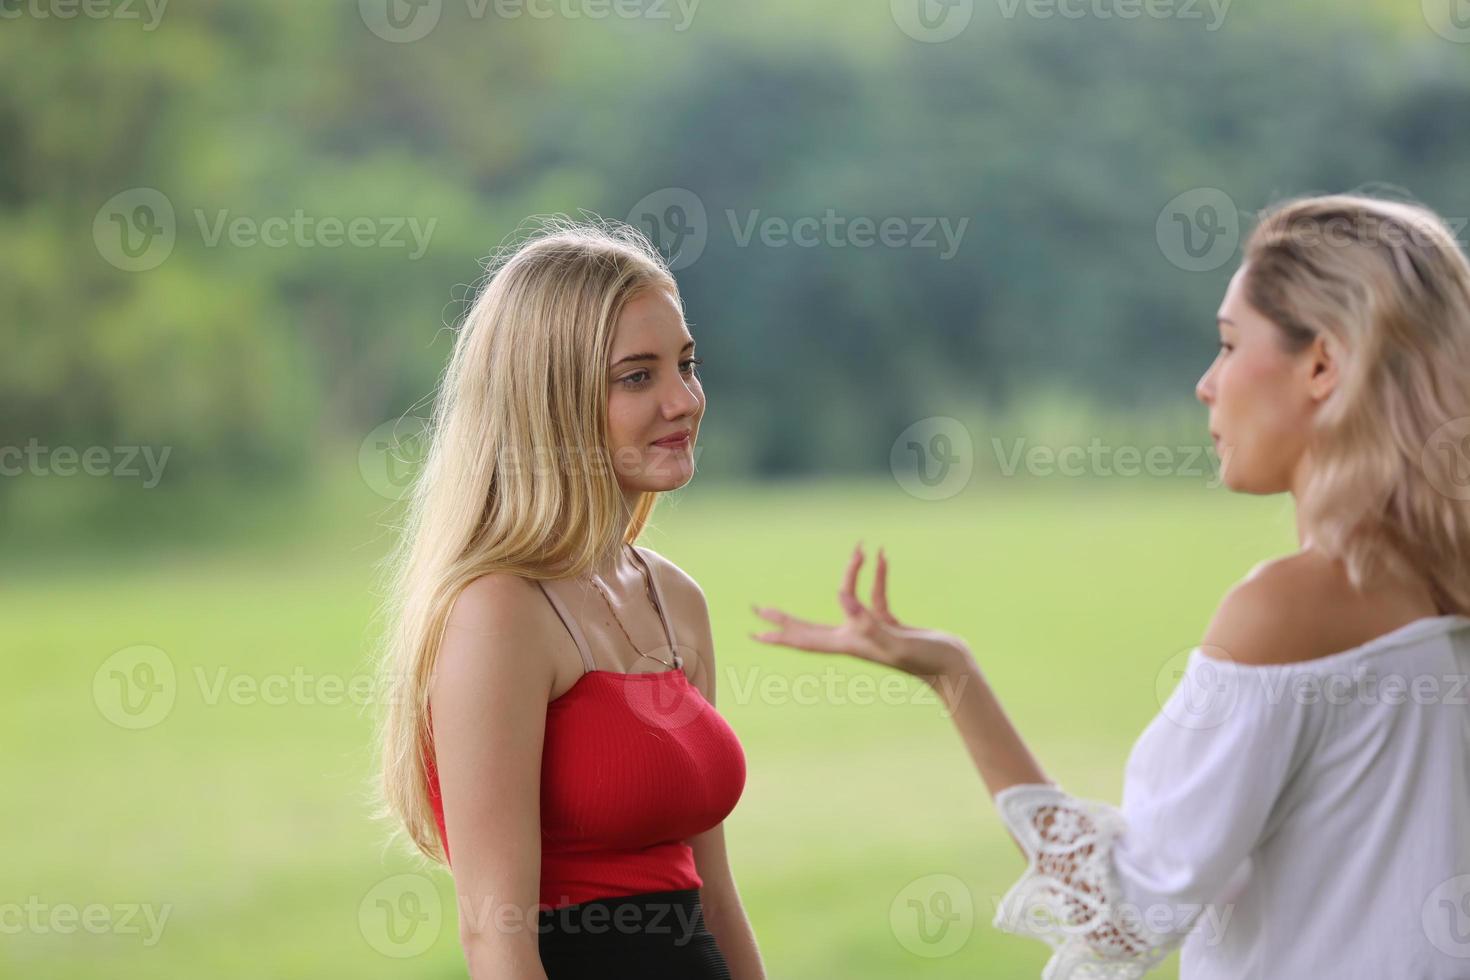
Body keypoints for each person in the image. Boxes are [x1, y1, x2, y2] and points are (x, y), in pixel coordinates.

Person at [753, 194, 1470, 978]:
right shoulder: (1443, 588)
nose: (1207, 384)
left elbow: (1125, 913)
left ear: (1323, 364)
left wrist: (953, 676)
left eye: (1230, 347)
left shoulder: (1287, 609)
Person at [376, 219, 765, 979]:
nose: (684, 400)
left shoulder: (674, 599)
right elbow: (497, 937)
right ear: (549, 399)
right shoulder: (500, 612)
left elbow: (714, 896)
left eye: (685, 364)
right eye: (637, 376)